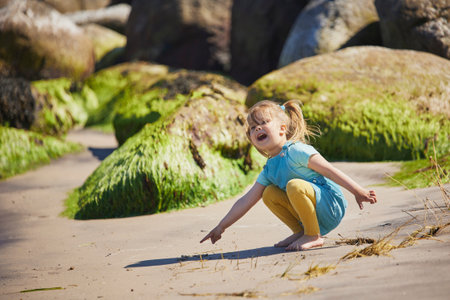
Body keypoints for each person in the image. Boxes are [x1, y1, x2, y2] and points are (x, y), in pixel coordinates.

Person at [200, 100, 377, 251]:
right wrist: (221, 226)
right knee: (268, 193)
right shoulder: (270, 168)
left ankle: (313, 235)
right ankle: (301, 231)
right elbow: (246, 200)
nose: (257, 128)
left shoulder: (298, 151)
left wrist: (357, 191)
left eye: (263, 122)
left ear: (282, 129)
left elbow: (330, 171)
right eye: (253, 127)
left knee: (294, 185)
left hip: (330, 206)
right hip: (309, 213)